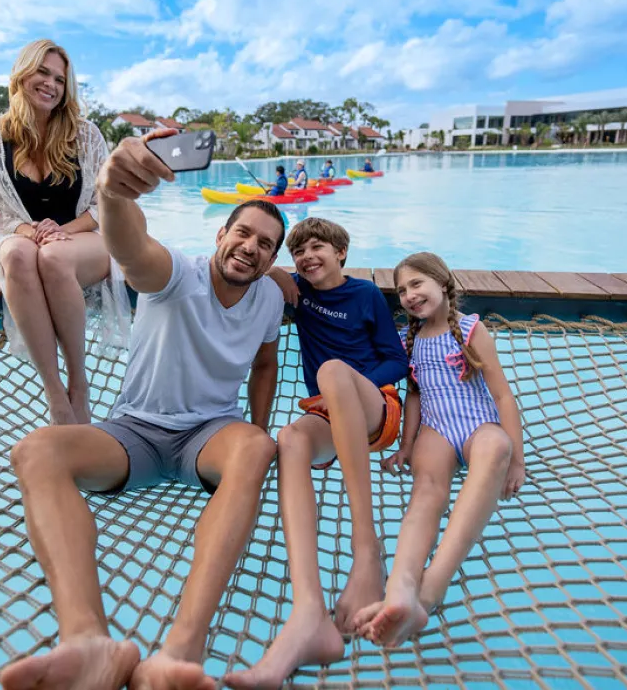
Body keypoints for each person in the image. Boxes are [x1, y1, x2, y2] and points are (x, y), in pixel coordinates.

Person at [0, 132, 289, 690]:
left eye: (266, 245)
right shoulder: (175, 276)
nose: (252, 247)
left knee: (258, 447)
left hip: (209, 434)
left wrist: (254, 431)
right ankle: (88, 641)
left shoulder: (272, 297)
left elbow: (265, 365)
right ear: (221, 235)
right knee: (35, 450)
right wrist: (110, 192)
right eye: (244, 233)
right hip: (135, 430)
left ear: (273, 259)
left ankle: (180, 651)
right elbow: (131, 249)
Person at [225, 218, 408, 690]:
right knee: (290, 439)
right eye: (299, 251)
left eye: (318, 247)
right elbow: (255, 268)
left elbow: (396, 359)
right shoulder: (299, 296)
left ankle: (367, 554)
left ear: (341, 253)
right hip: (325, 413)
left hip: (374, 407)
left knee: (331, 368)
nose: (308, 256)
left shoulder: (365, 295)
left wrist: (354, 383)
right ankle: (309, 612)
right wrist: (277, 272)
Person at [353, 252, 525, 647]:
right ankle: (399, 588)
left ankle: (429, 591)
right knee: (426, 493)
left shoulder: (470, 330)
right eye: (401, 290)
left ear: (443, 283)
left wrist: (517, 458)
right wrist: (406, 447)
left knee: (496, 446)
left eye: (416, 284)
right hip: (436, 429)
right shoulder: (405, 340)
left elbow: (501, 394)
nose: (409, 295)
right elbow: (413, 398)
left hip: (476, 423)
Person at [0, 39, 128, 426]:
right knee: (15, 255)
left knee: (54, 255)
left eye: (60, 78)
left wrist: (59, 231)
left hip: (84, 237)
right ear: (21, 74)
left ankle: (79, 382)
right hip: (25, 239)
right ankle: (54, 392)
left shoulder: (86, 134)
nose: (51, 84)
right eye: (43, 72)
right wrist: (35, 233)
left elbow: (103, 206)